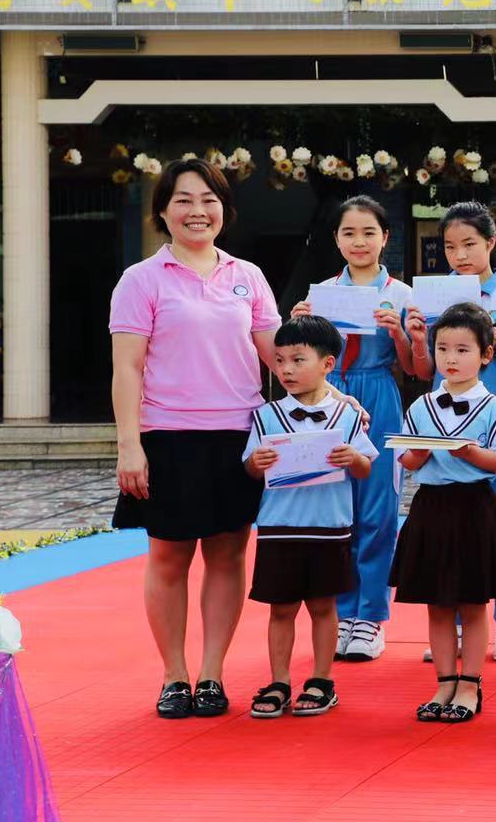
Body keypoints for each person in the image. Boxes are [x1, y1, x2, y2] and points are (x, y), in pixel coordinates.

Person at [110, 159, 283, 719]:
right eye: (183, 200)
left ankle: (211, 674)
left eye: (208, 199)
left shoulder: (247, 276)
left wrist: (331, 398)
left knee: (228, 555)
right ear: (162, 211)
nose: (197, 211)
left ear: (223, 209)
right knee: (168, 557)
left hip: (238, 436)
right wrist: (130, 444)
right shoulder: (141, 280)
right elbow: (127, 368)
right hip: (169, 436)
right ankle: (173, 676)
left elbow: (280, 357)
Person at [405, 202, 496, 664]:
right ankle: (458, 627)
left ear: (491, 242)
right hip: (443, 431)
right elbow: (425, 369)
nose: (460, 255)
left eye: (469, 244)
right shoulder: (433, 295)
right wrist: (415, 337)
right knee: (452, 535)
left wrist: (491, 342)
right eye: (450, 247)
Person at [289, 196, 418, 663]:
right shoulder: (321, 293)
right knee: (335, 505)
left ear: (385, 238)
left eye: (368, 233)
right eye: (349, 233)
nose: (359, 242)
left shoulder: (402, 295)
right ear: (336, 240)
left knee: (378, 507)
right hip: (330, 395)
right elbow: (299, 358)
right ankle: (342, 612)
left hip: (379, 391)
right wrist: (299, 326)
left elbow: (414, 368)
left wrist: (399, 333)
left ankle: (370, 617)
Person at [389, 303, 496, 724]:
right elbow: (406, 459)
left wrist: (471, 453)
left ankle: (470, 684)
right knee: (437, 603)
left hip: (474, 508)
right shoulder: (421, 406)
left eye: (463, 350)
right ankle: (444, 681)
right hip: (431, 507)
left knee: (472, 602)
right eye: (443, 348)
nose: (451, 358)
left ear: (486, 354)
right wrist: (418, 453)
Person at [242, 315, 377, 719]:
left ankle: (321, 679)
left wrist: (353, 458)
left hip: (329, 528)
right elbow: (250, 467)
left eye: (298, 360)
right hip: (279, 528)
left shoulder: (348, 416)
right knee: (281, 608)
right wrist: (256, 463)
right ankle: (279, 681)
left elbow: (365, 467)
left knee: (322, 605)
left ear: (327, 364)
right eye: (280, 360)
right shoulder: (266, 416)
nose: (286, 369)